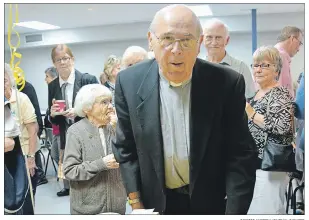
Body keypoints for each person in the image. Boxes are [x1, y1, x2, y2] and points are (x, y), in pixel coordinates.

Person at [112, 4, 257, 215]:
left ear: (199, 44)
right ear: (151, 40)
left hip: (211, 203)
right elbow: (125, 148)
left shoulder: (226, 83)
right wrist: (136, 203)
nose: (176, 49)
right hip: (155, 204)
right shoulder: (129, 82)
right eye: (167, 38)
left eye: (187, 40)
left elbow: (241, 154)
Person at [63, 84, 126, 214]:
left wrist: (119, 130)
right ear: (87, 108)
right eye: (104, 102)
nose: (110, 107)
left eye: (110, 102)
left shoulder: (115, 127)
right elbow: (70, 171)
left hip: (117, 207)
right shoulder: (75, 132)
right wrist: (101, 164)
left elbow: (130, 158)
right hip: (88, 209)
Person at [245, 46, 294, 214]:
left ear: (276, 70)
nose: (258, 69)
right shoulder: (257, 93)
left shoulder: (279, 93)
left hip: (271, 165)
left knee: (267, 211)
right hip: (254, 164)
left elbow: (282, 125)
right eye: (255, 65)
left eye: (264, 65)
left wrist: (251, 113)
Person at [48, 44, 98, 197]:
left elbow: (98, 109)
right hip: (66, 134)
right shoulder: (53, 85)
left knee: (89, 171)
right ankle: (71, 191)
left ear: (72, 59)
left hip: (88, 133)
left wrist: (77, 111)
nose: (62, 62)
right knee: (69, 168)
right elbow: (52, 119)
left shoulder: (87, 80)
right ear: (54, 63)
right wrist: (53, 114)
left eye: (65, 58)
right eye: (58, 60)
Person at [5, 63, 39, 214]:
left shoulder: (21, 99)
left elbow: (33, 130)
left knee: (25, 197)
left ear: (10, 80)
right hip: (6, 157)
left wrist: (31, 159)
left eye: (4, 80)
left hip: (24, 153)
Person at [203, 18, 256, 99]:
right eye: (209, 37)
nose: (213, 42)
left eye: (218, 38)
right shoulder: (194, 67)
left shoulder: (241, 68)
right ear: (202, 39)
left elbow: (250, 100)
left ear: (227, 40)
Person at [17, 80, 47, 186]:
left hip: (32, 124)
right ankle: (39, 175)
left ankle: (39, 175)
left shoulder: (25, 89)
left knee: (33, 149)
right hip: (33, 124)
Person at [275, 26, 303, 98]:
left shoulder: (274, 53)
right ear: (292, 39)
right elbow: (280, 92)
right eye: (299, 43)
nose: (299, 49)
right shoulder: (280, 56)